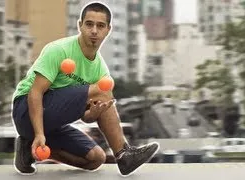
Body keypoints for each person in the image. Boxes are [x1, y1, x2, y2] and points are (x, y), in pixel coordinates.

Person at [11, 2, 159, 177]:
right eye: (89, 24)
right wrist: (39, 133)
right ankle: (124, 154)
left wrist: (94, 114)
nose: (94, 31)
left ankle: (27, 151)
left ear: (108, 30)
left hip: (51, 123)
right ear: (80, 25)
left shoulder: (100, 71)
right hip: (26, 111)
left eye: (100, 25)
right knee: (103, 91)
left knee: (96, 158)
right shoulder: (59, 50)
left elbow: (85, 117)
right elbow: (35, 92)